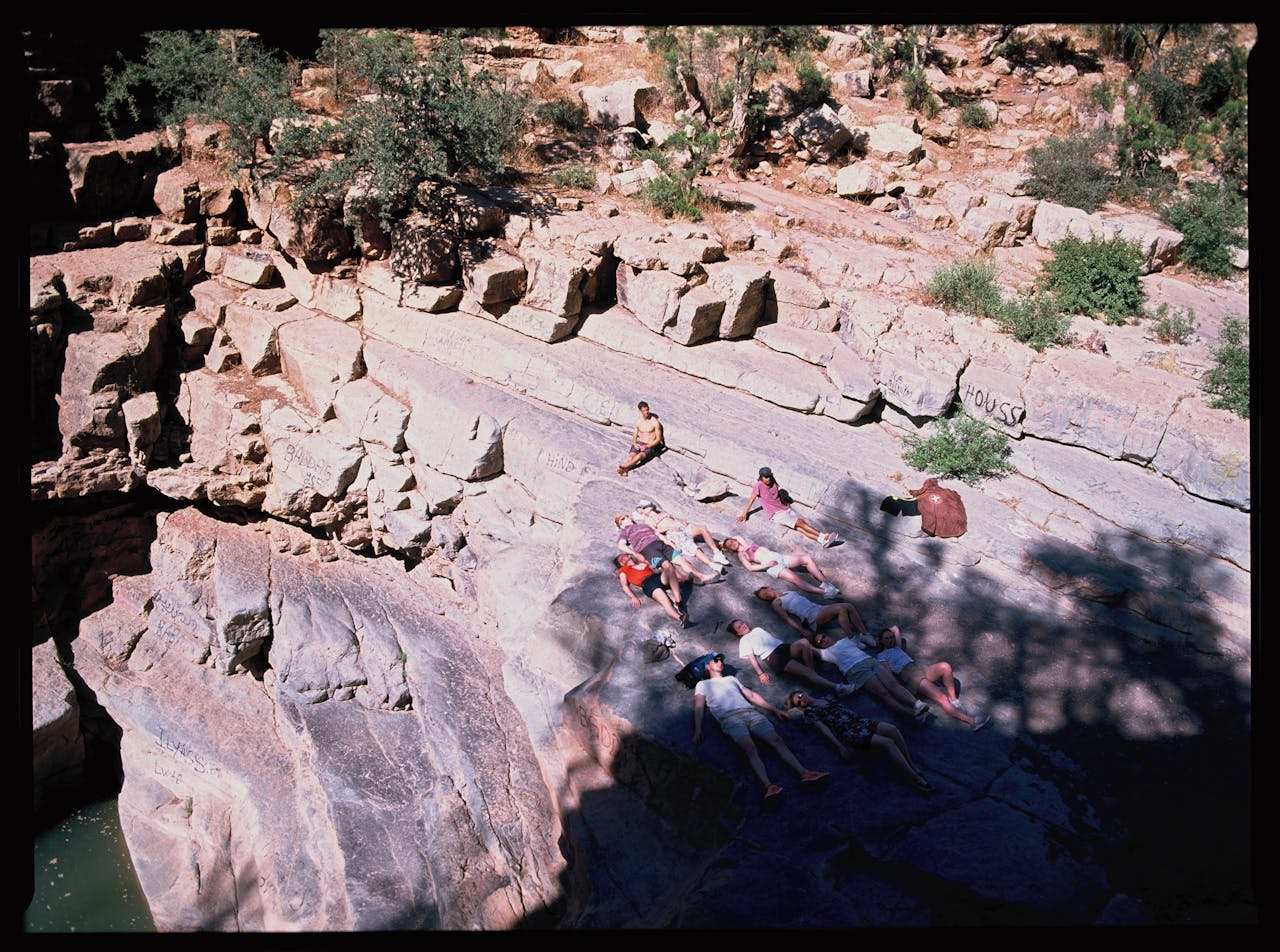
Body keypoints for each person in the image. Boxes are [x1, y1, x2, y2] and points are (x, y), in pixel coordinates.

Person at [692, 653, 830, 803]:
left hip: (751, 713)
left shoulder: (731, 679)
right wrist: (698, 728)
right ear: (707, 666)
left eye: (720, 660)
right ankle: (768, 786)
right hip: (730, 718)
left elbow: (751, 695)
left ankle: (805, 773)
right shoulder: (703, 684)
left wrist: (774, 709)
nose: (720, 662)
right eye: (715, 660)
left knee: (777, 740)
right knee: (750, 748)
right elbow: (699, 706)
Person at [783, 691, 933, 794]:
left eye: (800, 695)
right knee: (888, 743)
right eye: (799, 701)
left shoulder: (827, 697)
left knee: (892, 729)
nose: (802, 699)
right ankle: (914, 778)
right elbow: (824, 730)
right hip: (850, 732)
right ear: (800, 706)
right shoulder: (810, 712)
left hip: (861, 721)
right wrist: (840, 746)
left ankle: (911, 765)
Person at [876, 626, 991, 731]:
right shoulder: (881, 656)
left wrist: (884, 635)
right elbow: (889, 674)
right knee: (942, 698)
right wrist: (901, 690)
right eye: (886, 639)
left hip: (919, 668)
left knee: (946, 667)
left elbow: (895, 629)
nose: (890, 640)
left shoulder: (897, 647)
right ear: (881, 641)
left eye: (891, 637)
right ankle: (972, 722)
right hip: (910, 676)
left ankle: (955, 701)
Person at [809, 629, 929, 721]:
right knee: (883, 693)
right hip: (856, 670)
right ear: (820, 645)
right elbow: (807, 646)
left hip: (869, 660)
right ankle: (910, 715)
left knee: (892, 684)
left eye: (823, 637)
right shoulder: (826, 653)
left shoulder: (845, 640)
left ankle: (917, 704)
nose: (824, 640)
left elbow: (858, 632)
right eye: (820, 641)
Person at [727, 619, 854, 696]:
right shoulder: (744, 640)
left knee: (804, 642)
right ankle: (838, 688)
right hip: (773, 657)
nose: (743, 626)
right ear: (738, 633)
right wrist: (760, 673)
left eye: (742, 623)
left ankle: (812, 674)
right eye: (739, 627)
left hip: (784, 647)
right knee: (806, 671)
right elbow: (751, 657)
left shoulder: (757, 629)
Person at [736, 466, 840, 548]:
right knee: (801, 523)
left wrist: (785, 502)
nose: (769, 479)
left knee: (800, 528)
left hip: (784, 509)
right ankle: (824, 536)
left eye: (770, 476)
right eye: (766, 477)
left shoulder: (773, 481)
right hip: (776, 514)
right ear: (761, 477)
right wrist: (744, 514)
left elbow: (778, 494)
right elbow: (751, 499)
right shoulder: (758, 485)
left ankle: (822, 541)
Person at [614, 514, 720, 584]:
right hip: (646, 548)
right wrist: (634, 553)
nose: (626, 517)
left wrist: (669, 544)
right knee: (666, 565)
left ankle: (701, 577)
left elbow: (658, 534)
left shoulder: (643, 525)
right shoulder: (624, 532)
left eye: (626, 516)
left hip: (660, 544)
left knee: (681, 560)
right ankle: (683, 579)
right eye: (622, 519)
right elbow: (621, 545)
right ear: (621, 525)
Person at [721, 536, 838, 597]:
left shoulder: (747, 544)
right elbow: (750, 568)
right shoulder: (742, 554)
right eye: (730, 545)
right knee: (796, 579)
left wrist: (725, 542)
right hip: (772, 565)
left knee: (807, 559)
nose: (732, 544)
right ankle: (824, 592)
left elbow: (738, 537)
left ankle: (827, 584)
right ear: (731, 549)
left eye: (732, 541)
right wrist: (767, 565)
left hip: (779, 557)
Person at [754, 585, 869, 642]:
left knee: (848, 606)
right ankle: (852, 638)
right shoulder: (776, 603)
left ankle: (864, 634)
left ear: (769, 587)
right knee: (840, 609)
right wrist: (802, 630)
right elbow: (787, 619)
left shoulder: (786, 592)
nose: (768, 594)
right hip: (811, 616)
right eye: (765, 597)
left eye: (766, 591)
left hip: (818, 608)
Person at [634, 501, 731, 568]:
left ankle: (717, 553)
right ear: (642, 511)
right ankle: (712, 564)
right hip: (673, 533)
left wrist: (682, 522)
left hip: (681, 527)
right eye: (644, 507)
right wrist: (670, 528)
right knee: (693, 548)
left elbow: (673, 519)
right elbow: (656, 531)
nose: (647, 506)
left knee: (702, 528)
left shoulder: (660, 513)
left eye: (647, 505)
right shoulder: (648, 519)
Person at [615, 553, 689, 628]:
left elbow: (642, 558)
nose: (622, 559)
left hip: (657, 577)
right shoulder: (623, 570)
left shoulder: (641, 563)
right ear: (621, 564)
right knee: (665, 601)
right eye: (620, 560)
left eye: (623, 556)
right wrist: (633, 597)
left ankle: (678, 600)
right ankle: (680, 618)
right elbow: (624, 585)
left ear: (628, 556)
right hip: (648, 584)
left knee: (669, 568)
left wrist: (633, 554)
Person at [617, 401, 664, 476]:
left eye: (647, 410)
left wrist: (647, 446)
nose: (646, 412)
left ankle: (625, 467)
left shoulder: (655, 422)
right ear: (640, 411)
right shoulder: (638, 422)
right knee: (632, 455)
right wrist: (635, 444)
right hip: (639, 442)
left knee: (639, 456)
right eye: (644, 411)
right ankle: (625, 471)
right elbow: (634, 436)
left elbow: (658, 439)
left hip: (649, 445)